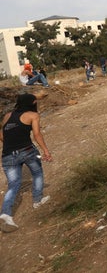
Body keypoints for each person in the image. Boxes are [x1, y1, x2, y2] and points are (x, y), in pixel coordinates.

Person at [1, 94, 53, 232]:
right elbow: (37, 134)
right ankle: (37, 200)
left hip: (7, 155)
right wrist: (46, 151)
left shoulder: (7, 115)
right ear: (32, 102)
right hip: (27, 151)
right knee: (37, 173)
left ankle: (5, 214)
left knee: (13, 185)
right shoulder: (33, 115)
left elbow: (1, 135)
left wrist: (11, 145)